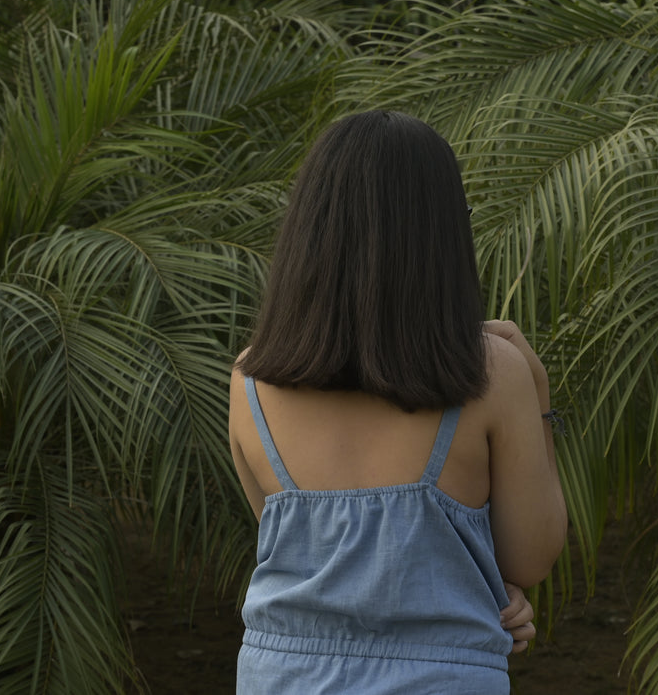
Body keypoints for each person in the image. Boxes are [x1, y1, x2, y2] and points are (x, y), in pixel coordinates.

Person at [228, 110, 567, 694]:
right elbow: (530, 560)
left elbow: (307, 556)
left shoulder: (251, 378)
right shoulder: (491, 375)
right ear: (437, 238)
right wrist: (535, 388)